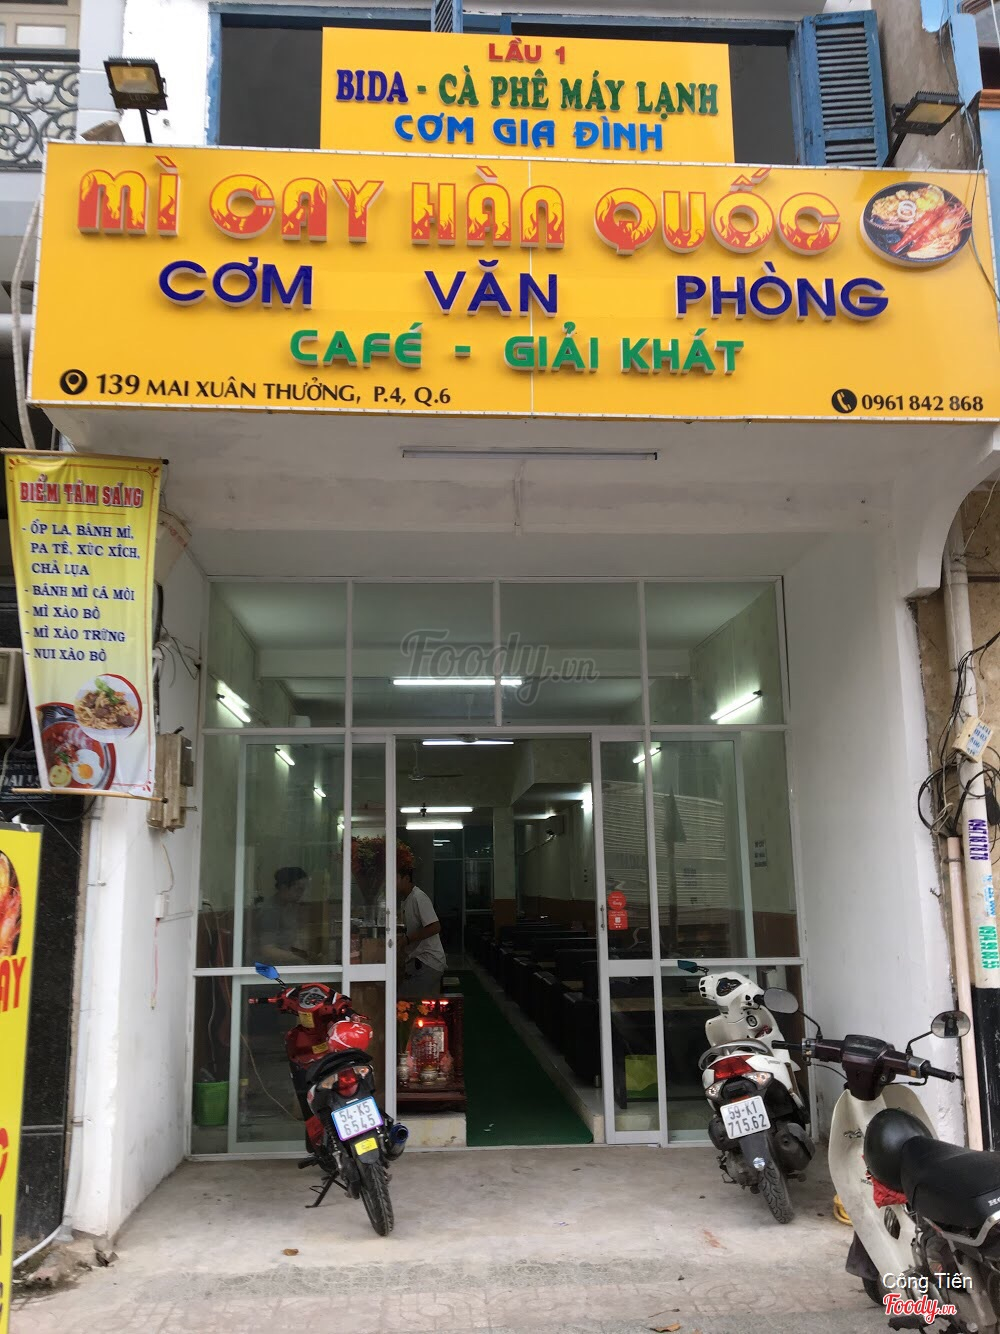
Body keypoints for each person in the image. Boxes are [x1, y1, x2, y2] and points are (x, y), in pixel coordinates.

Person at [397, 864, 446, 997]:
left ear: (406, 878)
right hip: (418, 961)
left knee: (404, 999)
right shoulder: (406, 900)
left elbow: (435, 927)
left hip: (427, 962)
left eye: (395, 878)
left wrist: (407, 940)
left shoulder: (418, 897)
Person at [249, 866, 311, 965]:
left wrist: (304, 954)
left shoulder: (289, 906)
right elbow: (267, 950)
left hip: (283, 963)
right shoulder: (270, 911)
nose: (301, 893)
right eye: (298, 889)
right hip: (267, 968)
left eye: (303, 889)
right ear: (284, 888)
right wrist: (299, 959)